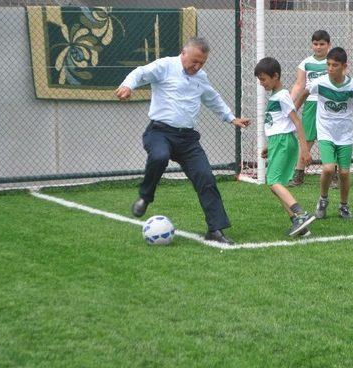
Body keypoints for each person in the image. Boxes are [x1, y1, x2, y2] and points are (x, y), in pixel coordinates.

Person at [115, 37, 250, 245]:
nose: (197, 66)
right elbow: (140, 73)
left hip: (187, 140)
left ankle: (215, 230)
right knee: (159, 157)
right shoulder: (165, 66)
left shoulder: (201, 77)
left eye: (202, 63)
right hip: (159, 132)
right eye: (194, 61)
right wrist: (127, 86)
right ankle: (145, 197)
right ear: (183, 53)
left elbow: (212, 98)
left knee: (206, 178)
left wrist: (231, 118)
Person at [295, 47, 353, 220]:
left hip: (345, 135)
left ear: (344, 66)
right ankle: (323, 199)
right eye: (328, 64)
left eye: (335, 65)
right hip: (326, 131)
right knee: (327, 168)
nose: (330, 68)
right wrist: (293, 111)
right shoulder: (320, 82)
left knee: (344, 173)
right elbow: (305, 93)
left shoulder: (352, 86)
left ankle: (343, 206)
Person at [254, 57, 316, 236]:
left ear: (275, 76)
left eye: (263, 79)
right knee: (276, 185)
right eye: (259, 80)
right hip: (277, 142)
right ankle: (299, 224)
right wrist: (268, 145)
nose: (261, 83)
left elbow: (296, 121)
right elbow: (277, 123)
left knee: (273, 182)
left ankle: (301, 214)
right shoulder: (276, 96)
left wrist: (304, 149)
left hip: (283, 142)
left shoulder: (282, 96)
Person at [288, 30, 332, 187]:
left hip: (329, 104)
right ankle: (298, 174)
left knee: (330, 140)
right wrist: (290, 102)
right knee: (306, 140)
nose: (318, 47)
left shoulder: (333, 61)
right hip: (311, 104)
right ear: (311, 45)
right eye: (315, 44)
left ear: (329, 45)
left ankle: (334, 175)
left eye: (322, 44)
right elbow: (300, 84)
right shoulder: (305, 63)